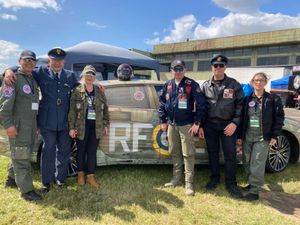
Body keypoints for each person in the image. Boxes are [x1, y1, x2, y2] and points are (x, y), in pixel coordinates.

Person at [3, 47, 78, 193]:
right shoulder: (41, 72)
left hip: (64, 122)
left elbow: (81, 88)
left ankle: (60, 179)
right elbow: (22, 69)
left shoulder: (70, 76)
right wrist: (7, 71)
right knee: (48, 151)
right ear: (49, 61)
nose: (57, 63)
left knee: (64, 152)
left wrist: (96, 86)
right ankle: (46, 182)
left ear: (64, 62)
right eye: (54, 60)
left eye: (60, 61)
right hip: (47, 121)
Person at [198, 54, 244, 199]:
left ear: (225, 67)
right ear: (212, 67)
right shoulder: (205, 85)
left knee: (230, 155)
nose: (218, 68)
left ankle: (231, 183)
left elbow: (240, 106)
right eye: (215, 65)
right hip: (210, 125)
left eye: (221, 65)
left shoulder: (234, 84)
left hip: (227, 125)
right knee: (212, 153)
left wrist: (234, 123)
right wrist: (200, 125)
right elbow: (201, 107)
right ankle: (215, 178)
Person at [158, 59, 205, 196]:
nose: (177, 72)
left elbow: (201, 104)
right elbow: (162, 104)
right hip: (172, 125)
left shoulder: (191, 84)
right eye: (175, 69)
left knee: (188, 153)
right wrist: (163, 120)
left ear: (185, 70)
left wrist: (197, 123)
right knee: (175, 152)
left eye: (180, 69)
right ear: (171, 71)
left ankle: (189, 183)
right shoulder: (167, 85)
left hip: (186, 125)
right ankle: (176, 179)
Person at [0, 50, 42, 201]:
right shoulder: (13, 79)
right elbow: (4, 106)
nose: (29, 63)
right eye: (26, 60)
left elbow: (33, 105)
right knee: (22, 157)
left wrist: (36, 125)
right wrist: (8, 125)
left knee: (21, 153)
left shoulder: (33, 80)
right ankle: (27, 191)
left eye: (32, 60)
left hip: (30, 126)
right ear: (19, 61)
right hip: (17, 127)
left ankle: (11, 180)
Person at [238, 72, 284, 201]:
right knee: (246, 161)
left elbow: (279, 118)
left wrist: (275, 135)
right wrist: (239, 137)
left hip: (262, 137)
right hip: (248, 136)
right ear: (252, 83)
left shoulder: (273, 99)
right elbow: (242, 119)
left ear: (265, 82)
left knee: (257, 162)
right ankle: (251, 183)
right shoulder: (247, 99)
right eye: (256, 80)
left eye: (261, 80)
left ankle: (255, 191)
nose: (258, 82)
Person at [68, 65, 109, 188]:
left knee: (91, 152)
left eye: (92, 75)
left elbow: (105, 109)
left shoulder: (100, 91)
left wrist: (106, 124)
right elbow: (72, 111)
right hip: (81, 127)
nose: (89, 77)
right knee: (80, 152)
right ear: (83, 76)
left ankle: (90, 176)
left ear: (94, 77)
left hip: (96, 127)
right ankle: (80, 175)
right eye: (87, 74)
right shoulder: (77, 91)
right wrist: (71, 128)